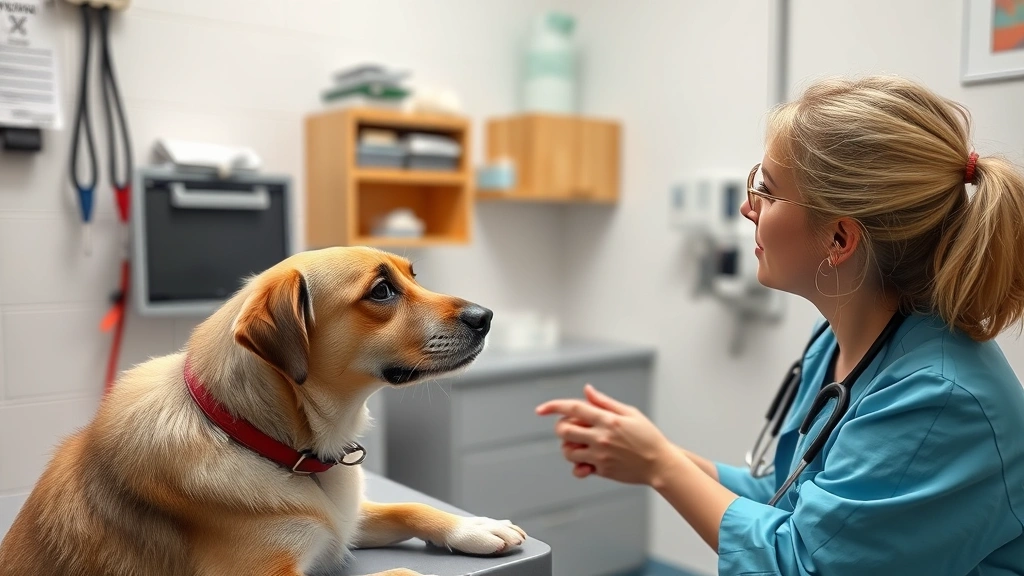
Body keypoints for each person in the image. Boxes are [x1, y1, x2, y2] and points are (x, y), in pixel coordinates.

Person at [536, 75, 1024, 575]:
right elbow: (787, 501)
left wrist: (664, 467)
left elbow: (799, 563)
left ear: (839, 238)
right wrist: (650, 452)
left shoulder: (938, 401)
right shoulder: (841, 340)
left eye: (766, 191)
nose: (748, 208)